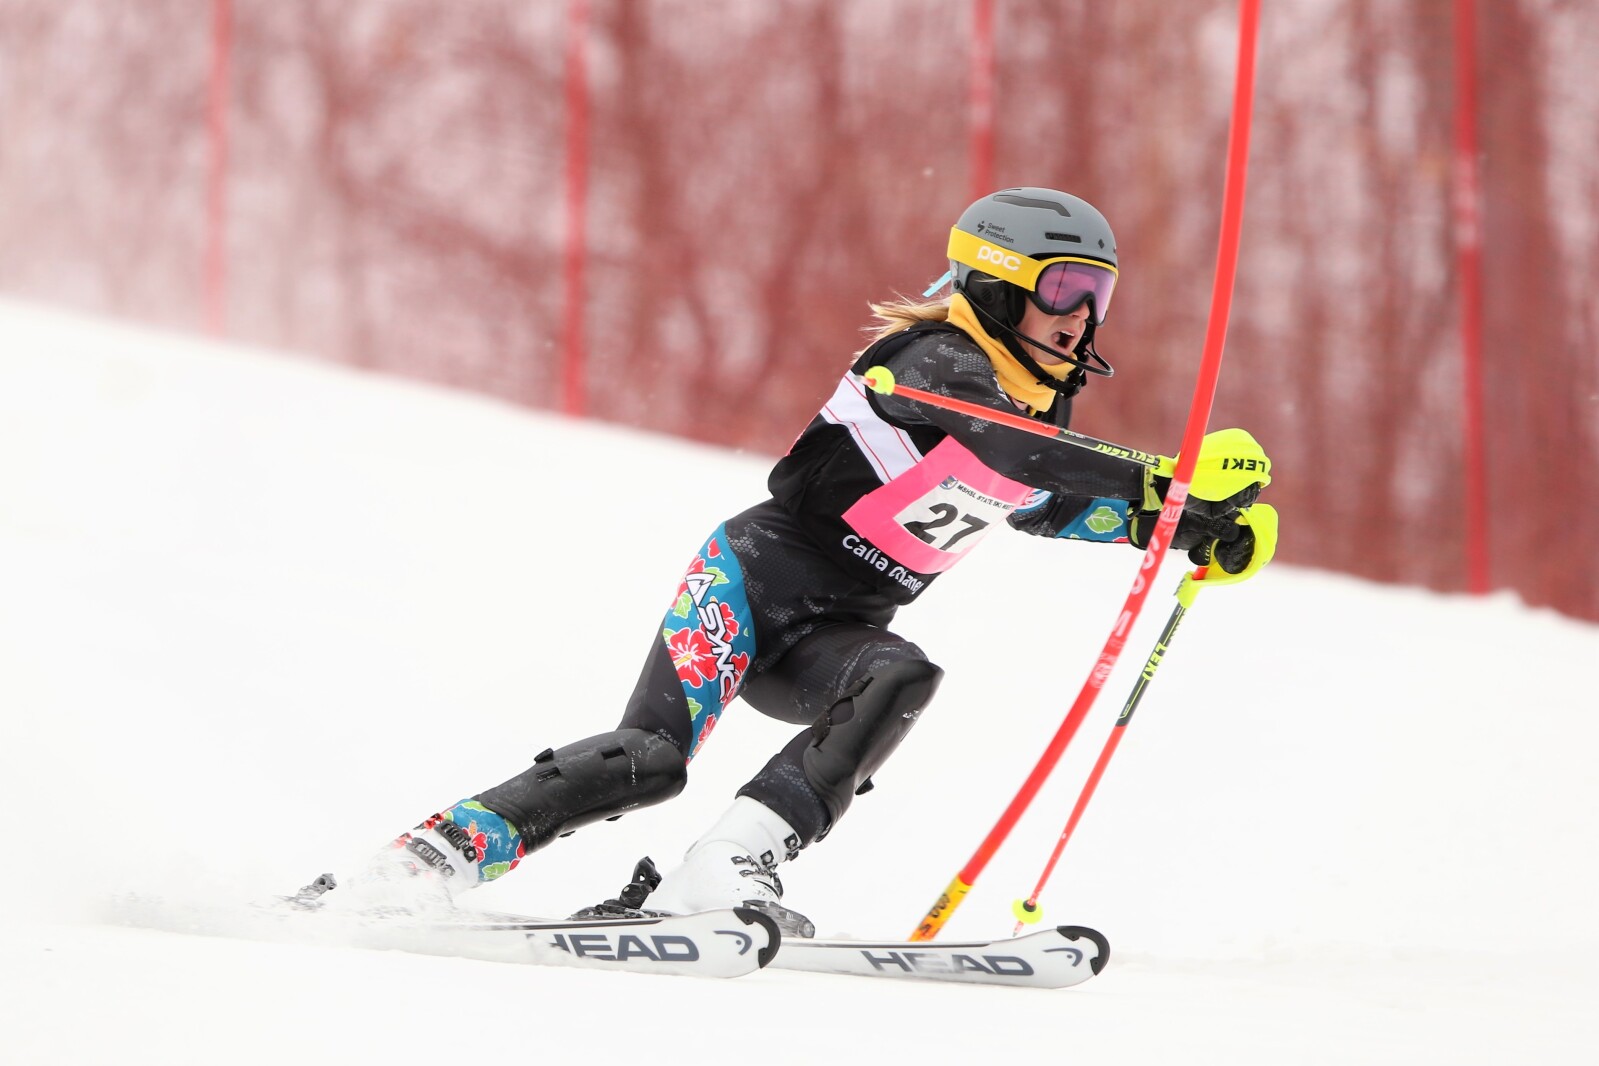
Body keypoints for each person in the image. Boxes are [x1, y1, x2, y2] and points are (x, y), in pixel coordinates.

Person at [296, 187, 1278, 936]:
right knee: (648, 759)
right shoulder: (933, 359)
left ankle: (727, 867)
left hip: (844, 628)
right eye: (1065, 286)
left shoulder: (1039, 413)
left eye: (1098, 293)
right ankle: (427, 862)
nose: (1082, 314)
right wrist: (1168, 479)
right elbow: (998, 453)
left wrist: (1189, 529)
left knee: (900, 672)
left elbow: (1047, 501)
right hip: (755, 580)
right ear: (996, 280)